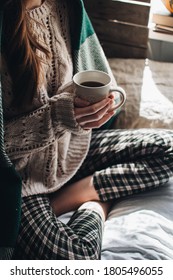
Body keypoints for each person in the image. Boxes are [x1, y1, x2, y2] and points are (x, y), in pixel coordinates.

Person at [1, 0, 173, 260]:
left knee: (169, 147)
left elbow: (100, 75)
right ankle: (95, 204)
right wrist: (58, 116)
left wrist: (108, 102)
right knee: (77, 260)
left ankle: (73, 196)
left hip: (73, 150)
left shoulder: (67, 6)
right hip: (23, 180)